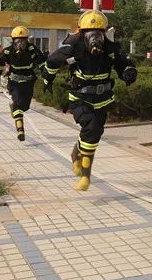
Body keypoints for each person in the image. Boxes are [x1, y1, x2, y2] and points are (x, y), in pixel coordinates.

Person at [42, 10, 137, 191]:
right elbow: (53, 61)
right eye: (90, 35)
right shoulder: (73, 47)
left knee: (94, 133)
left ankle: (76, 153)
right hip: (80, 98)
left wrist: (128, 73)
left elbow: (124, 64)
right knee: (91, 128)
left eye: (98, 35)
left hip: (102, 99)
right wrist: (48, 79)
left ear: (104, 34)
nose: (95, 39)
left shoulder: (110, 49)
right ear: (82, 35)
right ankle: (85, 176)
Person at [0, 27, 45, 141]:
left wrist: (46, 75)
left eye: (23, 41)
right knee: (18, 104)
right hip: (14, 82)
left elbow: (41, 61)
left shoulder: (32, 49)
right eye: (18, 41)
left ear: (27, 40)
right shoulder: (8, 51)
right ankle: (20, 130)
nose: (20, 44)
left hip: (28, 81)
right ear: (13, 41)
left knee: (25, 106)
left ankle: (15, 109)